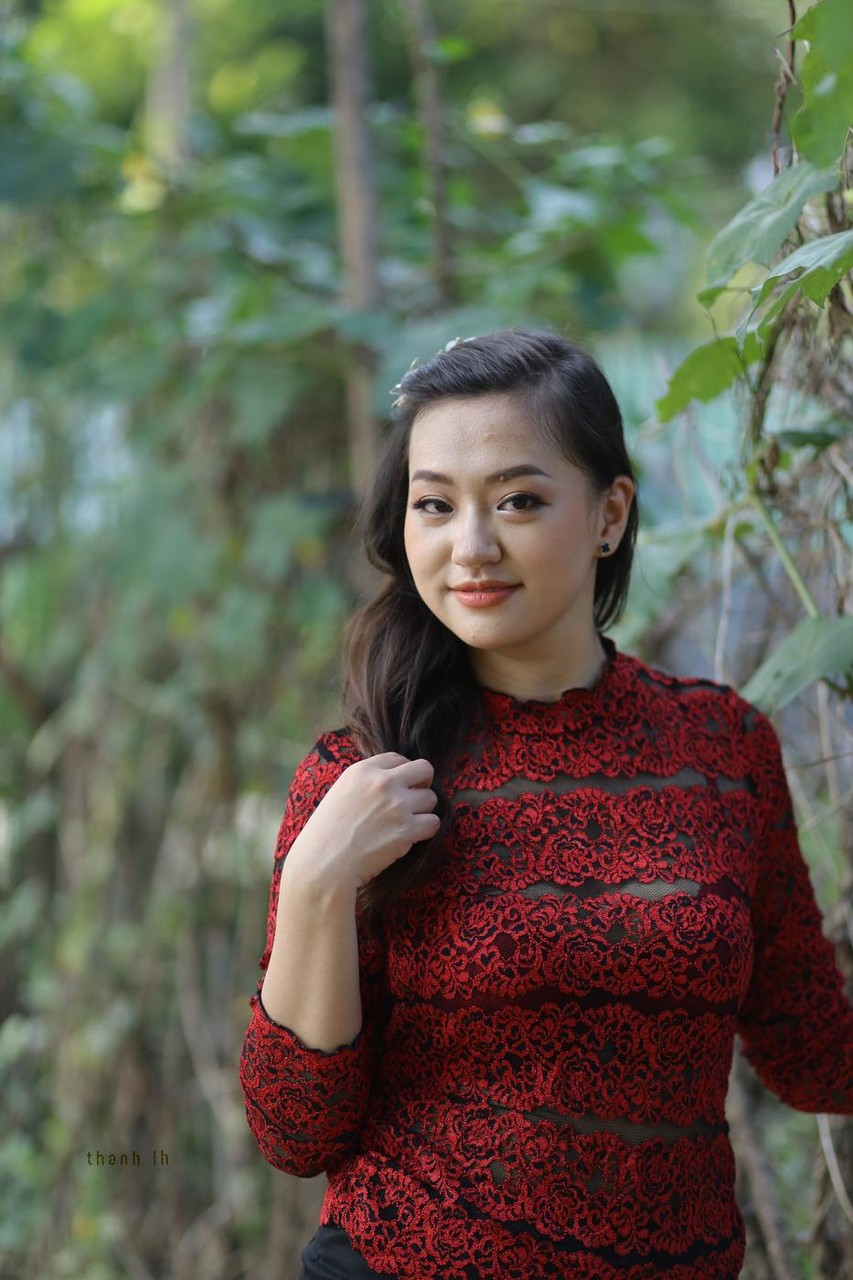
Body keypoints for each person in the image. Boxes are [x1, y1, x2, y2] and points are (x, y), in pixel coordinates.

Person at [238, 329, 853, 1280]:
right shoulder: (362, 776)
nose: (471, 547)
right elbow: (293, 1131)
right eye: (434, 505)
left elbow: (814, 1053)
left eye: (517, 500)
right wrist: (319, 881)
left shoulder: (722, 749)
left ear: (609, 514)